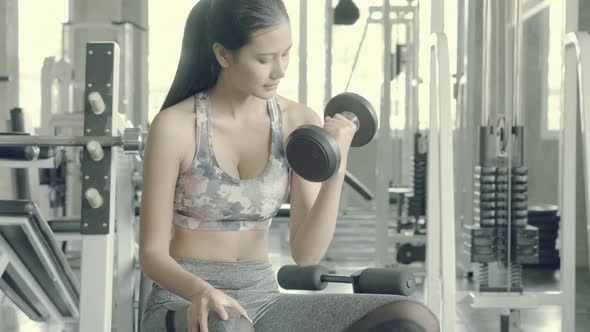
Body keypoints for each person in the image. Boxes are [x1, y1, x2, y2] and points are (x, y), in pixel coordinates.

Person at [139, 0, 439, 331]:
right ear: (224, 55)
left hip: (262, 300)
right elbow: (152, 254)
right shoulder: (175, 127)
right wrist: (203, 290)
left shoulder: (297, 123)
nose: (280, 70)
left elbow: (306, 253)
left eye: (286, 54)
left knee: (410, 318)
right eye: (264, 59)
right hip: (184, 300)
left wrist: (336, 163)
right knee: (229, 325)